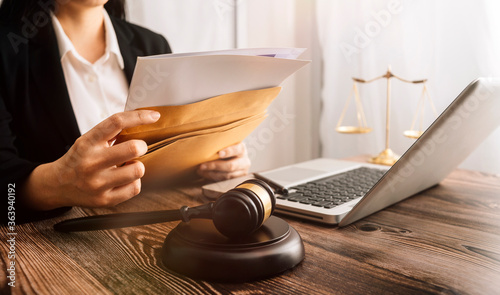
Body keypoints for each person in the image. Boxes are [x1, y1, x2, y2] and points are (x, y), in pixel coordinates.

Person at [0, 0, 251, 222]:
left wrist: (212, 160)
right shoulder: (6, 50)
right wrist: (56, 185)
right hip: (50, 249)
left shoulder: (153, 44)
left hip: (158, 226)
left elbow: (171, 151)